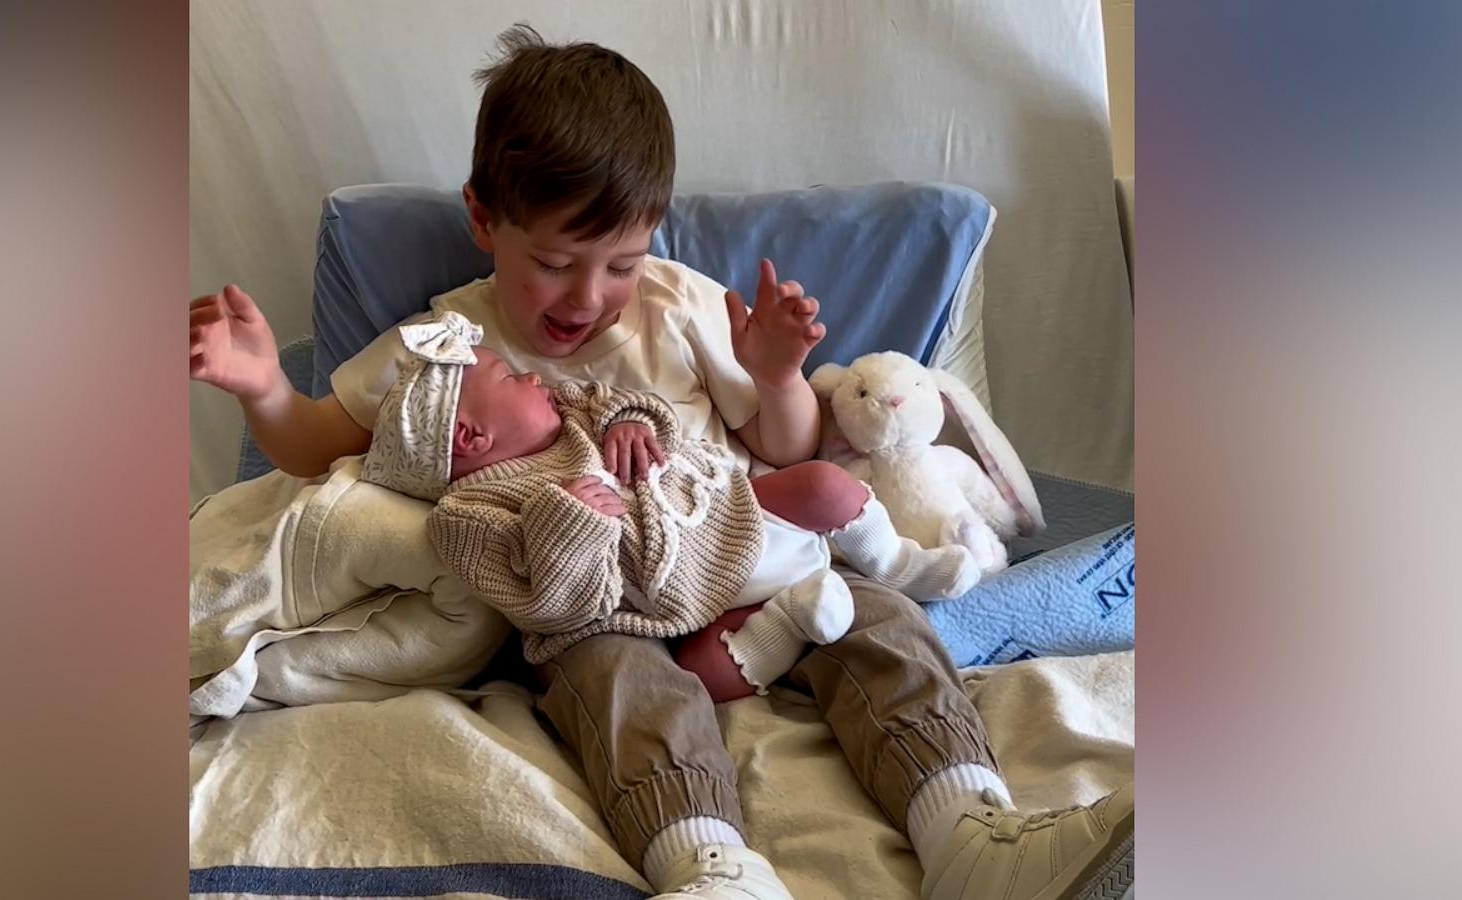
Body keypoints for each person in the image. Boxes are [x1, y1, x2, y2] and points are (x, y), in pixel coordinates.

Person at [189, 24, 1133, 900]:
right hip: (605, 604)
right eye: (556, 262)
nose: (589, 296)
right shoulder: (446, 344)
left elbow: (785, 451)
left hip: (744, 558)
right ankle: (711, 863)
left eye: (621, 262)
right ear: (484, 219)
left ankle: (971, 831)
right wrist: (263, 386)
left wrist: (775, 377)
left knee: (880, 620)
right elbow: (323, 446)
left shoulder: (679, 304)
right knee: (614, 683)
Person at [360, 312, 980, 705]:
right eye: (509, 379)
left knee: (822, 485)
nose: (534, 380)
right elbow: (544, 605)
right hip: (684, 602)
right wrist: (569, 524)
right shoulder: (469, 514)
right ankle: (792, 618)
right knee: (705, 676)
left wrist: (629, 420)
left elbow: (627, 399)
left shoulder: (575, 412)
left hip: (736, 511)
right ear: (472, 437)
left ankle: (898, 561)